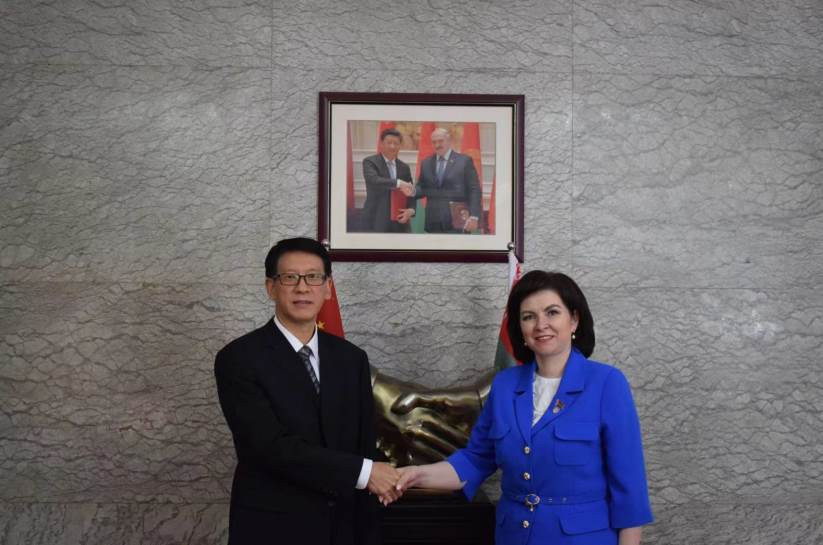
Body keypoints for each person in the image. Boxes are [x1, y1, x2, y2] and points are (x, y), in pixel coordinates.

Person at [395, 271, 653, 545]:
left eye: (552, 312)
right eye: (529, 316)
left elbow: (629, 487)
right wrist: (417, 474)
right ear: (520, 328)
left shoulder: (607, 383)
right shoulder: (505, 385)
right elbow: (475, 460)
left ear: (574, 319)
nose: (541, 324)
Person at [214, 237, 400, 545]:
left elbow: (363, 442)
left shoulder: (351, 358)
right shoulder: (239, 358)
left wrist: (392, 478)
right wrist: (366, 473)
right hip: (272, 528)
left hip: (343, 527)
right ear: (271, 287)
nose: (303, 288)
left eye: (313, 277)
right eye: (290, 277)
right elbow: (269, 447)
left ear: (327, 288)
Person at [404, 128, 482, 233]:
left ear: (449, 141)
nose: (437, 145)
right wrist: (413, 191)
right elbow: (422, 188)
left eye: (440, 141)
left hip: (457, 221)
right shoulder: (426, 163)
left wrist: (474, 216)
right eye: (434, 142)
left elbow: (474, 190)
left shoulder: (464, 161)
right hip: (433, 222)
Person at [360, 127, 415, 232]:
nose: (392, 146)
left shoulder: (404, 167)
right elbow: (374, 180)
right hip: (375, 219)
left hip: (400, 220)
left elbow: (410, 192)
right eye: (389, 143)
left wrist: (411, 210)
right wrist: (399, 183)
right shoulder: (370, 162)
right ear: (381, 144)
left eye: (396, 143)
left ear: (400, 146)